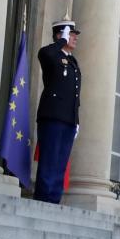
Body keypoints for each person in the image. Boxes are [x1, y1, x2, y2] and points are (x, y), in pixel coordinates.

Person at [34, 13, 81, 203]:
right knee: (50, 159)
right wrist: (61, 42)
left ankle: (54, 199)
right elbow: (44, 54)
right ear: (59, 35)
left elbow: (75, 94)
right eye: (71, 34)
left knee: (61, 162)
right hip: (52, 115)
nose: (75, 37)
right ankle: (44, 198)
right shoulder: (52, 55)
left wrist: (76, 120)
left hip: (68, 118)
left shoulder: (72, 61)